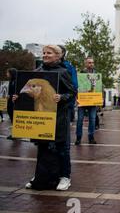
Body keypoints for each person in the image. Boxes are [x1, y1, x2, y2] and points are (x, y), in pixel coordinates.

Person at [15, 45, 76, 190]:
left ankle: (65, 176)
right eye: (43, 53)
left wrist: (61, 97)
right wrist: (17, 97)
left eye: (49, 53)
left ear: (58, 55)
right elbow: (24, 92)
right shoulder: (37, 71)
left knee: (61, 148)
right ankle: (40, 175)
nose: (45, 55)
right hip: (40, 118)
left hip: (59, 116)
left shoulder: (63, 72)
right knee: (42, 147)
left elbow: (72, 92)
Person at [75, 57, 98, 145]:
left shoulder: (96, 74)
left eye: (92, 62)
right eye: (89, 63)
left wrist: (100, 99)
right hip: (83, 100)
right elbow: (78, 87)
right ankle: (78, 138)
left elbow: (99, 87)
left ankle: (91, 137)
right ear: (85, 63)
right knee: (80, 119)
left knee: (92, 119)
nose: (91, 64)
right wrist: (77, 98)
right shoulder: (81, 73)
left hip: (92, 101)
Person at [58, 45, 78, 122]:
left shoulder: (68, 67)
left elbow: (74, 85)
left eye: (56, 51)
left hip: (65, 103)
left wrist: (69, 99)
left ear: (62, 53)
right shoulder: (45, 66)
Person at [6, 68, 17, 139]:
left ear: (11, 73)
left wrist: (12, 95)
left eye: (8, 73)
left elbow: (17, 91)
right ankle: (14, 133)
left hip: (14, 102)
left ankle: (15, 134)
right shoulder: (11, 81)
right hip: (9, 101)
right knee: (11, 116)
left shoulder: (16, 81)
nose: (6, 74)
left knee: (14, 118)